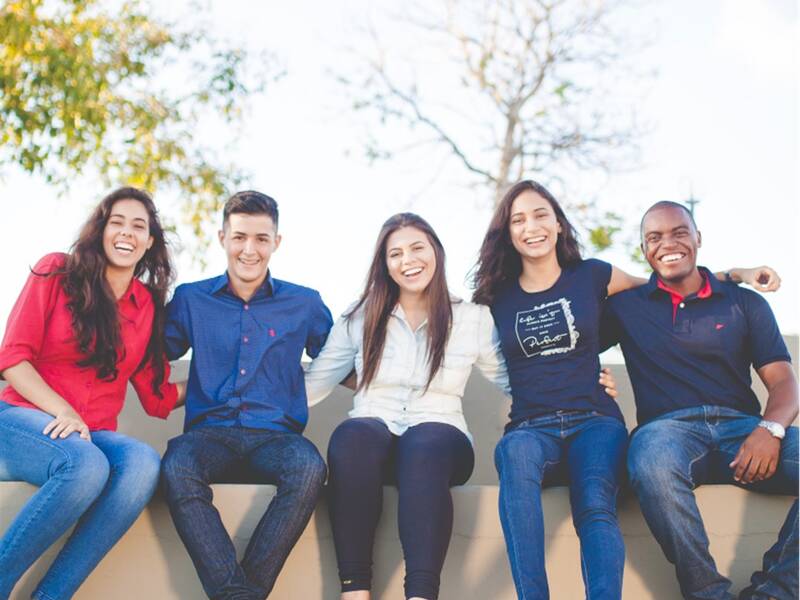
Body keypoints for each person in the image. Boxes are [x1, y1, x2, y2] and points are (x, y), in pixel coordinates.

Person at [471, 180, 777, 599]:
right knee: (513, 460)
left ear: (559, 224)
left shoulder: (593, 275)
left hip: (595, 420)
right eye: (518, 219)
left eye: (541, 214)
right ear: (507, 232)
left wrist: (733, 275)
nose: (532, 226)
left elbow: (664, 284)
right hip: (530, 425)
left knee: (595, 504)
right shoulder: (495, 298)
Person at [303, 212, 620, 600]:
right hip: (373, 436)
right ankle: (355, 592)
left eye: (417, 248)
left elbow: (518, 379)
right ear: (384, 264)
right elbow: (314, 383)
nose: (408, 260)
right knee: (352, 434)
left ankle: (420, 594)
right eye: (395, 254)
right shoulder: (360, 316)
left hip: (441, 439)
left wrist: (583, 380)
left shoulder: (471, 318)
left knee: (425, 442)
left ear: (436, 251)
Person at [602, 201, 797, 600]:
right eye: (654, 237)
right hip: (667, 433)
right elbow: (569, 333)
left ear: (698, 239)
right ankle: (707, 594)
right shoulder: (625, 307)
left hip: (743, 432)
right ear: (644, 250)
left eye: (678, 232)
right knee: (650, 462)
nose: (667, 244)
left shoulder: (744, 302)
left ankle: (776, 591)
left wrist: (770, 429)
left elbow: (784, 382)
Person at [0, 187, 180, 600]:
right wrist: (62, 411)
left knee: (142, 465)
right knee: (85, 466)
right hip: (22, 419)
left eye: (139, 226)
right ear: (101, 230)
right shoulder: (57, 272)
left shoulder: (147, 305)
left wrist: (229, 382)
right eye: (117, 221)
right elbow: (13, 357)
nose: (126, 233)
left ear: (150, 241)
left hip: (91, 432)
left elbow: (158, 397)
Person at [160, 190, 333, 599]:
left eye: (260, 238)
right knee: (176, 466)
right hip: (209, 435)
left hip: (277, 437)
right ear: (222, 238)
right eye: (239, 237)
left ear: (277, 242)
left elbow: (344, 363)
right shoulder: (190, 299)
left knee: (309, 468)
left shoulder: (304, 303)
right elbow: (148, 355)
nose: (249, 249)